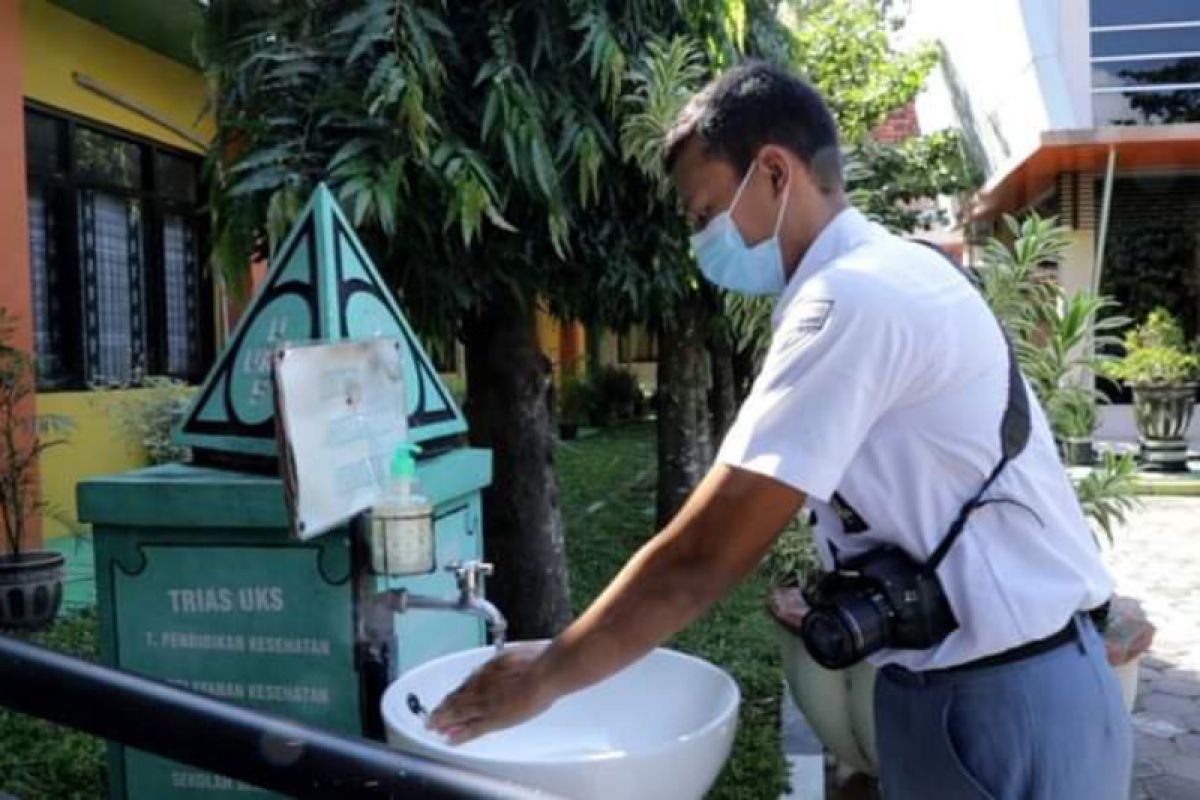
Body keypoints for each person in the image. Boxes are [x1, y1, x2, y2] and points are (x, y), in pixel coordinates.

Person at [429, 62, 1132, 799]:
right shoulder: (896, 270)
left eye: (703, 215)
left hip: (1000, 703)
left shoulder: (851, 299)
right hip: (1006, 684)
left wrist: (544, 678)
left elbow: (702, 556)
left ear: (772, 173)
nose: (699, 239)